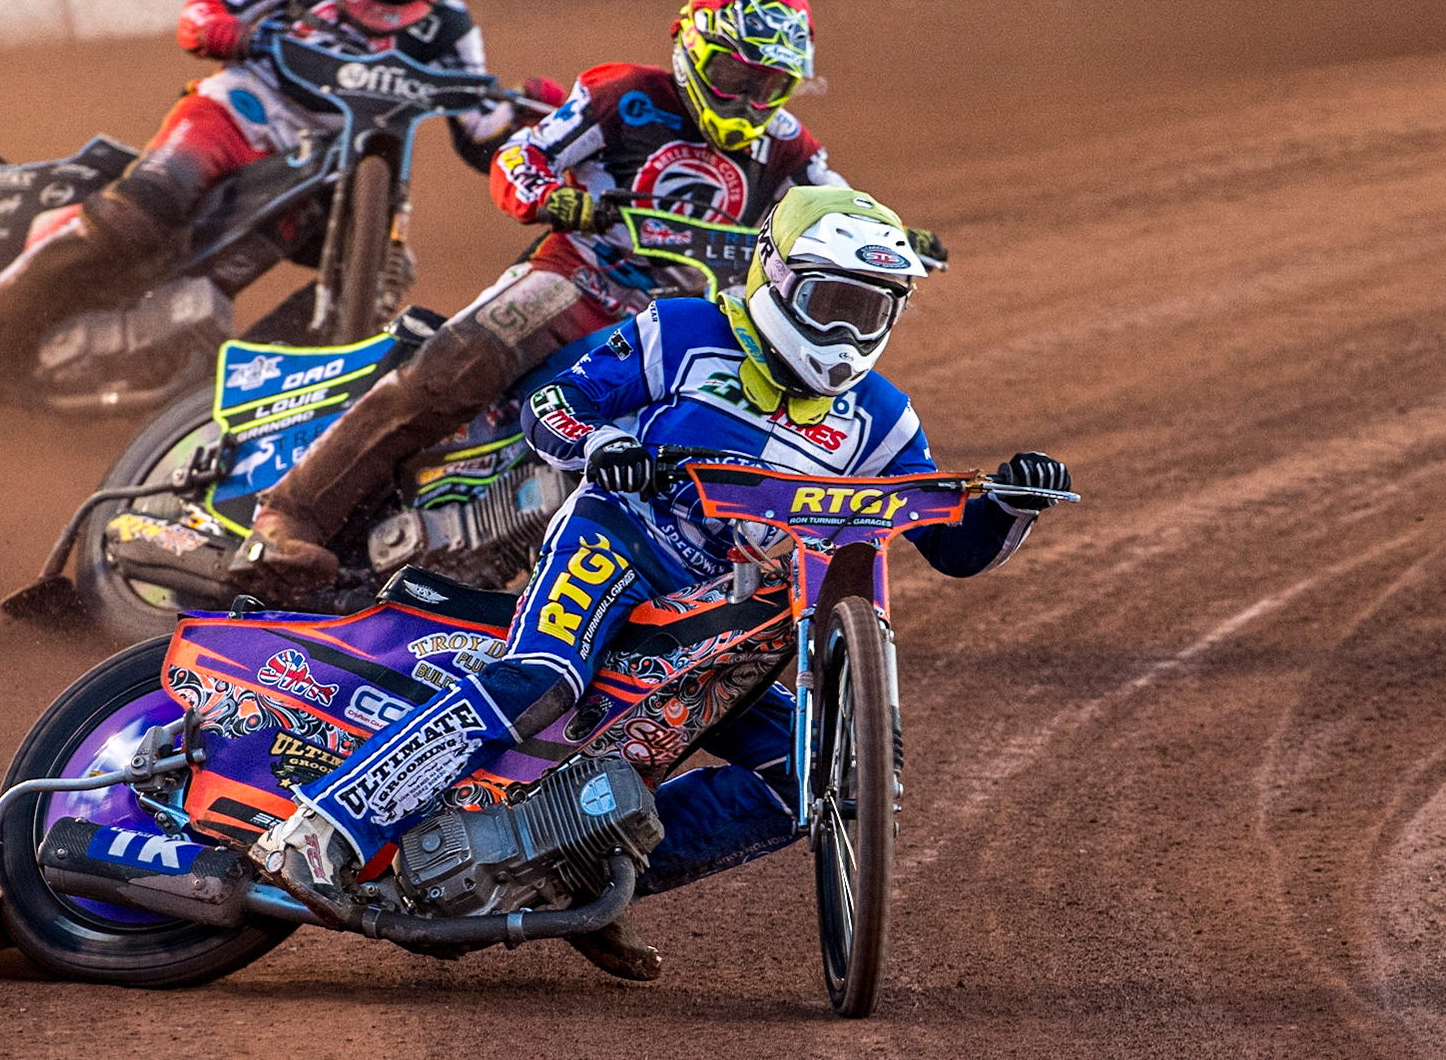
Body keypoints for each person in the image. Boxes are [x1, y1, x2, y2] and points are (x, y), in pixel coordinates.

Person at [250, 185, 1068, 980]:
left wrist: (1007, 504)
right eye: (832, 303)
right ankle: (323, 829)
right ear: (778, 281)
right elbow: (554, 405)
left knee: (806, 772)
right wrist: (602, 444)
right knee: (543, 677)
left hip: (725, 614)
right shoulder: (684, 331)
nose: (849, 334)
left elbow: (951, 543)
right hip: (620, 541)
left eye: (872, 309)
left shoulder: (881, 418)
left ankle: (586, 877)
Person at [234, 0, 944, 592]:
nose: (749, 101)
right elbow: (519, 157)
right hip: (583, 279)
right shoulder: (625, 96)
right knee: (459, 365)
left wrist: (894, 243)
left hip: (686, 323)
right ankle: (287, 513)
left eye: (771, 84)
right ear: (692, 47)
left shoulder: (790, 147)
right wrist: (553, 194)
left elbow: (840, 210)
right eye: (735, 76)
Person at [0, 0, 545, 397]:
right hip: (236, 116)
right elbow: (205, 12)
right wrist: (236, 35)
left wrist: (535, 122)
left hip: (332, 171)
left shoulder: (451, 28)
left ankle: (246, 396)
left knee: (383, 275)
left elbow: (485, 134)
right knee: (143, 213)